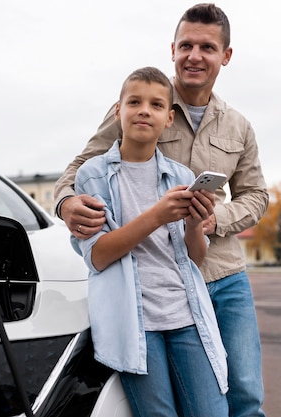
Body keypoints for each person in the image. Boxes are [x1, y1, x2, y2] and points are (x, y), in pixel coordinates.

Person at [54, 4, 269, 417]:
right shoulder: (141, 104)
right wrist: (66, 203)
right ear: (172, 49)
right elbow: (83, 166)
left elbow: (256, 195)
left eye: (207, 47)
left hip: (221, 274)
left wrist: (213, 219)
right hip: (150, 285)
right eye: (186, 45)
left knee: (244, 393)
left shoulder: (238, 127)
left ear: (225, 55)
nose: (195, 55)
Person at [71, 66, 228, 417]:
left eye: (156, 105)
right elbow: (97, 256)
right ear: (118, 111)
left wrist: (193, 223)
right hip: (135, 322)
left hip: (186, 314)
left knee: (212, 411)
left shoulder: (182, 176)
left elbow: (194, 257)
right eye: (134, 102)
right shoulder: (93, 175)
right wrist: (157, 216)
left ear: (168, 118)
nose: (144, 110)